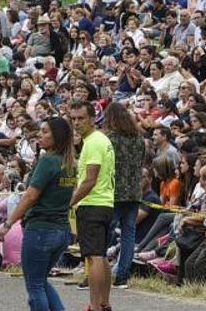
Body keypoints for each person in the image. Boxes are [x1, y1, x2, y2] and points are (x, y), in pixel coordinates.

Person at [0, 117, 75, 311]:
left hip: (41, 229)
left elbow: (31, 195)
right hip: (61, 230)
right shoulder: (69, 163)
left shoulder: (48, 160)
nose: (40, 134)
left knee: (34, 286)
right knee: (40, 281)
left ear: (57, 136)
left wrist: (8, 223)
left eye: (45, 131)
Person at [69, 100, 116, 310]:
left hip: (93, 204)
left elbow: (90, 179)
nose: (77, 123)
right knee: (101, 256)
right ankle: (104, 304)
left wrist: (70, 202)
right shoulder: (99, 140)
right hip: (105, 203)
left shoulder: (94, 142)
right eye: (73, 119)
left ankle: (95, 306)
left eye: (81, 118)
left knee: (93, 257)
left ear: (91, 118)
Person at [103, 101, 146, 288]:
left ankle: (97, 273)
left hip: (114, 192)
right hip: (134, 191)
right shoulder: (139, 139)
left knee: (104, 233)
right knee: (129, 235)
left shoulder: (110, 138)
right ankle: (123, 276)